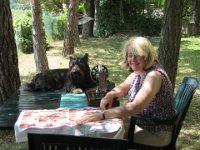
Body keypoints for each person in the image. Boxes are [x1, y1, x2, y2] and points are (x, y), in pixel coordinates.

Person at [77, 36, 176, 147]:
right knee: (101, 129)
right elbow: (122, 88)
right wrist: (111, 94)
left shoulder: (154, 76)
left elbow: (134, 107)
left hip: (156, 133)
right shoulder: (139, 72)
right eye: (129, 55)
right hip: (141, 125)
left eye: (137, 55)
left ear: (147, 55)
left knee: (102, 135)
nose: (132, 60)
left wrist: (103, 115)